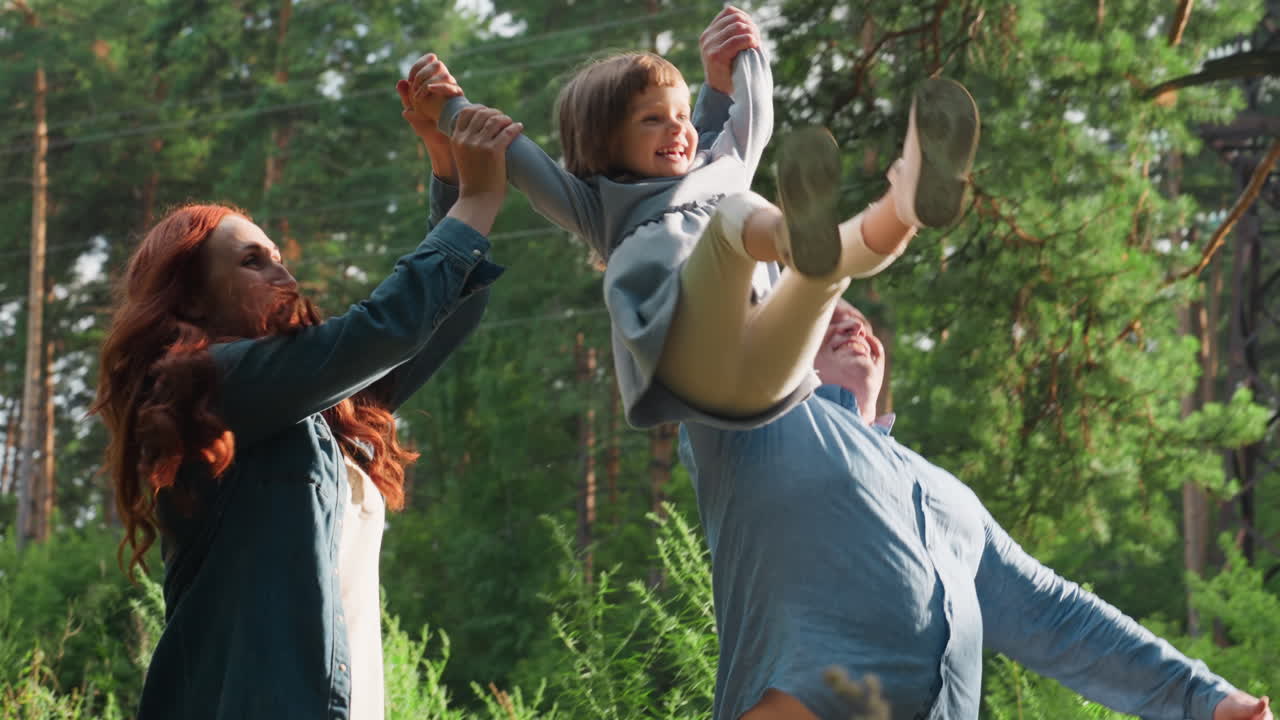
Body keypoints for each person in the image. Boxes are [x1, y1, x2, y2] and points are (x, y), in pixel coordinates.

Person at [91, 84, 523, 718]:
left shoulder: (314, 409)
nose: (287, 279)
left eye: (280, 259)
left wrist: (446, 167)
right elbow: (390, 328)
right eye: (253, 261)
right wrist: (479, 198)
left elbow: (445, 314)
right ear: (192, 299)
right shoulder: (212, 384)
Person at [678, 299, 1274, 720]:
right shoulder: (749, 432)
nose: (848, 317)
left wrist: (1204, 697)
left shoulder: (946, 495)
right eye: (821, 310)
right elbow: (703, 297)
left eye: (855, 311)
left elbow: (1057, 616)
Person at [408, 6, 979, 435]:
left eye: (682, 115)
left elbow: (755, 112)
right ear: (605, 142)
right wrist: (449, 105)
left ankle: (900, 209)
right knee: (744, 212)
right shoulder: (601, 205)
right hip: (687, 352)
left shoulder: (726, 162)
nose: (678, 129)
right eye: (652, 119)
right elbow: (515, 152)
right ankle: (798, 235)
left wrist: (744, 46)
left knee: (823, 274)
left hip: (771, 377)